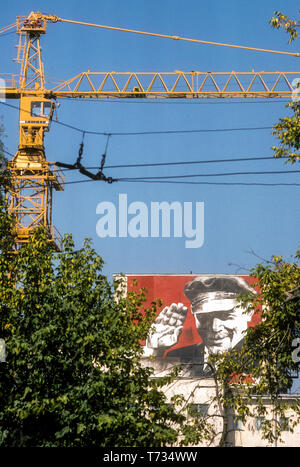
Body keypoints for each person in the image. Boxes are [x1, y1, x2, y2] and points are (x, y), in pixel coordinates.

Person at [142, 275, 256, 377]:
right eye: (204, 317)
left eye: (226, 316)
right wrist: (154, 350)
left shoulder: (265, 357)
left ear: (249, 312)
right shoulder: (180, 357)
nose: (214, 327)